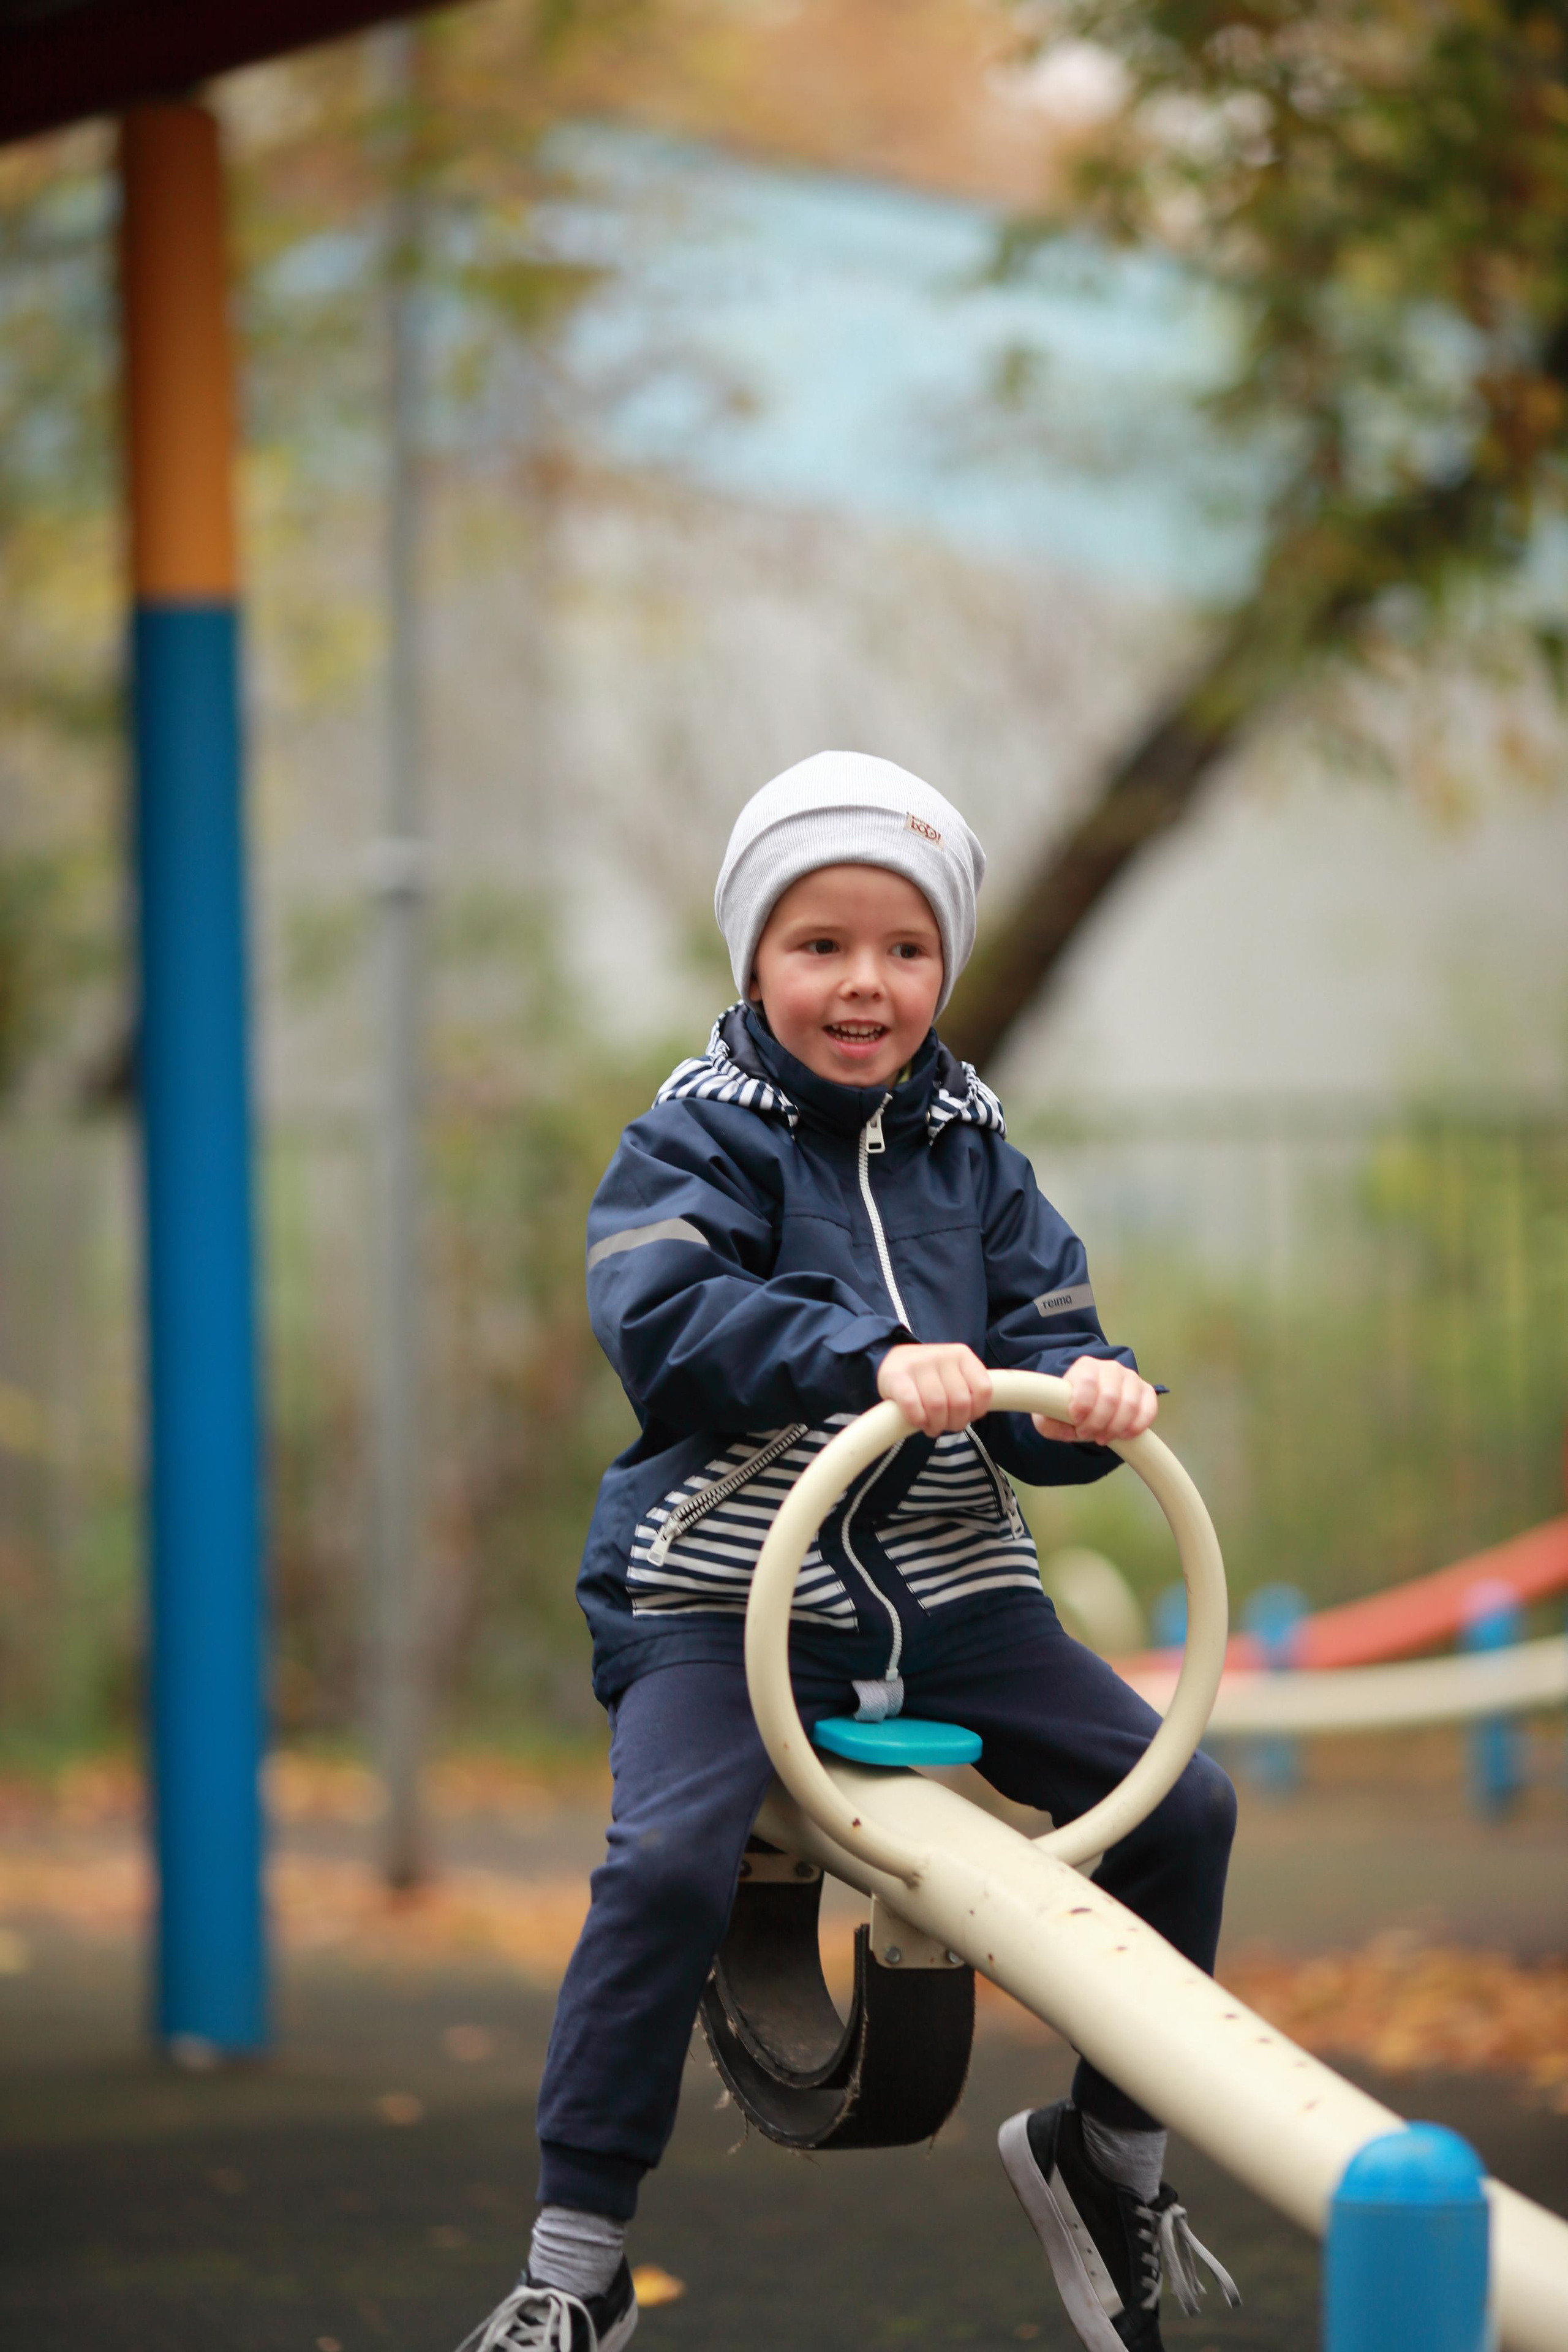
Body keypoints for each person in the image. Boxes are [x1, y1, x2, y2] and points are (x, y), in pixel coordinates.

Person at [456, 752, 1239, 2352]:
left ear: (943, 966)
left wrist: (1078, 1399)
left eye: (904, 949)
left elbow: (1040, 1347)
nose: (864, 985)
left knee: (1185, 1805)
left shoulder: (978, 1158)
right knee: (665, 1862)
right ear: (754, 958)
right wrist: (868, 1350)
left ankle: (1109, 2158)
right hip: (722, 1594)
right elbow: (665, 1328)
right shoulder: (693, 1141)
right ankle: (575, 2260)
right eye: (821, 946)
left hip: (955, 1595)